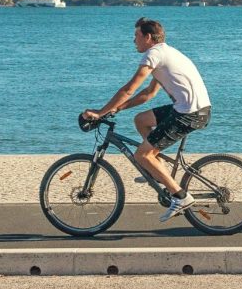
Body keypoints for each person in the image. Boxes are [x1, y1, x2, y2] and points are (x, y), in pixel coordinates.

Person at [82, 17, 212, 222]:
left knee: (142, 155)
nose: (134, 41)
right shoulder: (164, 53)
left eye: (136, 36)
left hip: (189, 113)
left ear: (148, 37)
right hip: (190, 108)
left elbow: (129, 89)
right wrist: (118, 108)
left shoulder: (154, 54)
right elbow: (148, 93)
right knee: (141, 120)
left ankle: (181, 196)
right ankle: (157, 168)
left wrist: (100, 112)